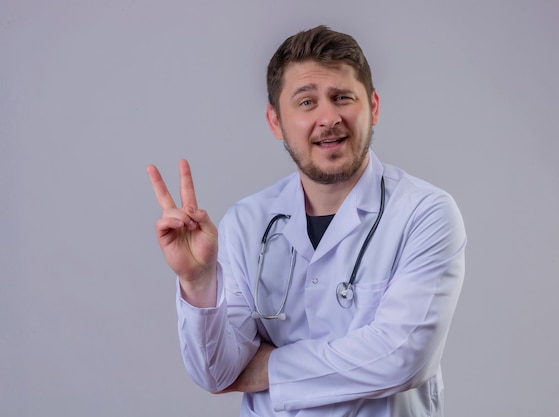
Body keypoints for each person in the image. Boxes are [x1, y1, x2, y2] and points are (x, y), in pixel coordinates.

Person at [147, 25, 466, 417]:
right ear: (275, 121)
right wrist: (197, 282)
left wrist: (267, 368)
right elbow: (216, 373)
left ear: (374, 107)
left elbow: (402, 358)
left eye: (343, 97)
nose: (329, 117)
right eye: (306, 102)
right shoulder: (247, 223)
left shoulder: (425, 213)